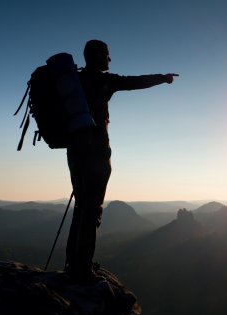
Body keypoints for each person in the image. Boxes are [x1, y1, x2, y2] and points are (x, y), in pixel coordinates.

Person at [65, 39, 178, 282]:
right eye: (107, 54)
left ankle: (72, 263)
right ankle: (82, 268)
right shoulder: (105, 80)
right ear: (97, 56)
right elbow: (135, 82)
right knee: (91, 208)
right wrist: (164, 77)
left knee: (81, 206)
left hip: (74, 151)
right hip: (96, 151)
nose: (110, 59)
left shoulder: (74, 81)